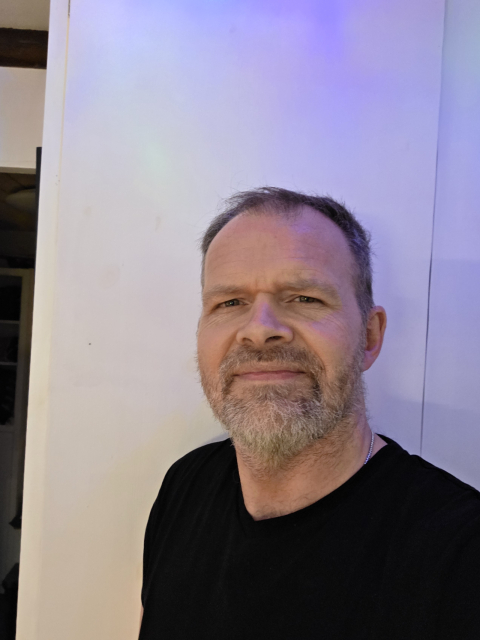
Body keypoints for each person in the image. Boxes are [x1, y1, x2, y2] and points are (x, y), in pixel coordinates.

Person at [139, 187, 480, 639]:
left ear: (370, 336)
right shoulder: (185, 487)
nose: (259, 330)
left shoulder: (460, 553)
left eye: (304, 298)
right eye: (230, 302)